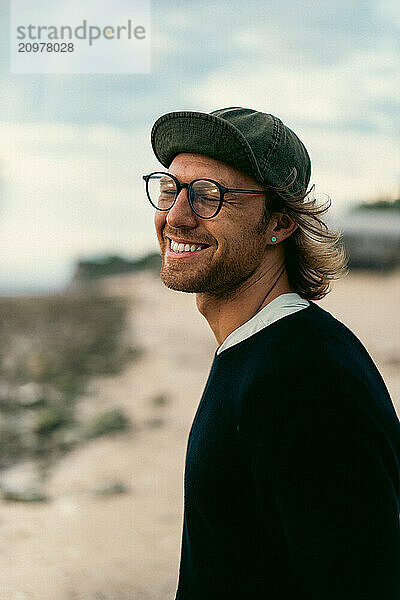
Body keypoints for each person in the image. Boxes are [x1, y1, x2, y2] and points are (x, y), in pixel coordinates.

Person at [143, 107, 400, 599]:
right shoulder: (262, 352)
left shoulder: (305, 382)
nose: (175, 216)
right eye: (171, 189)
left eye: (208, 196)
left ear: (277, 225)